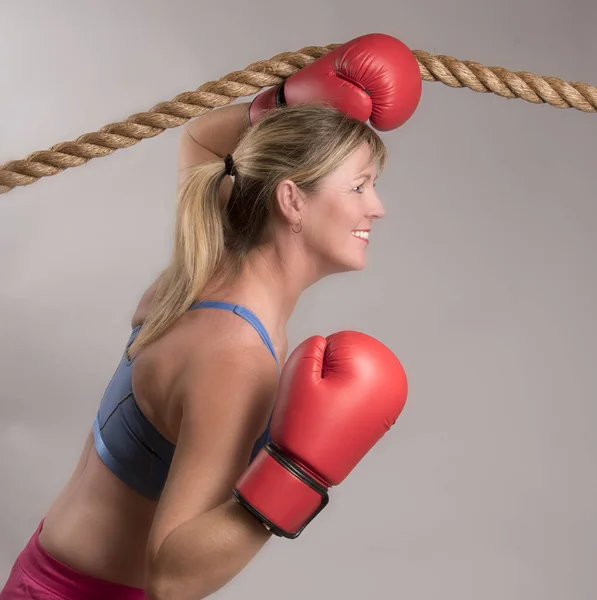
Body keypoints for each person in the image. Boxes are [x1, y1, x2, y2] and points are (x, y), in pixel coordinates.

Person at [0, 33, 421, 600]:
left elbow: (201, 141)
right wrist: (300, 474)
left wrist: (284, 108)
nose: (377, 206)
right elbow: (173, 577)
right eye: (360, 185)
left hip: (47, 577)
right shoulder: (235, 354)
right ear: (292, 199)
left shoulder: (207, 262)